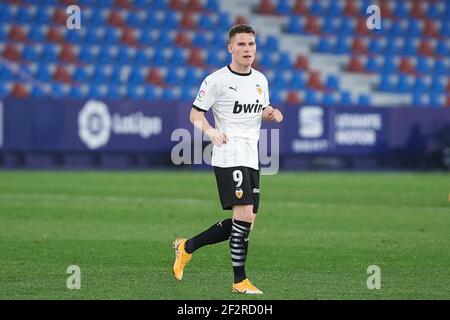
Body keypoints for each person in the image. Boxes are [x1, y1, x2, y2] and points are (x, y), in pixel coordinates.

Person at [172, 24, 283, 294]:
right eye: (242, 44)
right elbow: (195, 115)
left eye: (251, 44)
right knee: (243, 215)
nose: (248, 49)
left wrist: (270, 113)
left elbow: (260, 108)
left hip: (251, 155)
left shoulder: (260, 80)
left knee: (245, 222)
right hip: (228, 154)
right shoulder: (216, 80)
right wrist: (211, 131)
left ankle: (187, 247)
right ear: (230, 48)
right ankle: (239, 281)